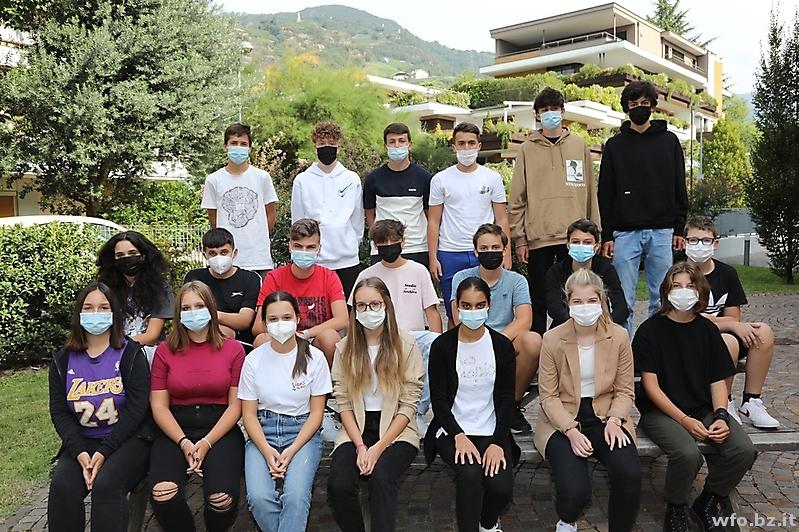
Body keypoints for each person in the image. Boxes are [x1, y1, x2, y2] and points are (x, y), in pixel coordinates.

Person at [634, 262, 757, 532]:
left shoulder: (708, 330)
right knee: (688, 454)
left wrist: (721, 415)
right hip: (661, 412)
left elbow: (717, 380)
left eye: (690, 286)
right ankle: (675, 507)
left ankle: (709, 500)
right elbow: (651, 387)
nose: (683, 291)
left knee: (743, 450)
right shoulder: (649, 331)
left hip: (703, 408)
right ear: (666, 291)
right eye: (676, 286)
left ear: (700, 291)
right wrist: (684, 420)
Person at [536, 269, 641, 532]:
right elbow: (548, 396)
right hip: (562, 418)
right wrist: (570, 431)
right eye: (578, 301)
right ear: (567, 303)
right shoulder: (552, 339)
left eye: (592, 301)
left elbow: (625, 390)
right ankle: (566, 520)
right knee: (576, 492)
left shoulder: (618, 336)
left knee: (629, 475)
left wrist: (615, 420)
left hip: (606, 415)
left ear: (602, 301)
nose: (585, 307)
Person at [48, 282, 154, 532]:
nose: (96, 313)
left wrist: (105, 451)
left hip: (129, 440)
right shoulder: (62, 360)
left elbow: (137, 410)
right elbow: (60, 411)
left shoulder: (131, 354)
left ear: (114, 312)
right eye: (88, 307)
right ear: (79, 313)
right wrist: (79, 451)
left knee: (107, 486)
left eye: (103, 307)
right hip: (84, 441)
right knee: (62, 487)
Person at [327, 277, 425, 532]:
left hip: (397, 429)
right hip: (357, 428)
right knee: (339, 483)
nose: (368, 311)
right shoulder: (344, 348)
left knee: (382, 479)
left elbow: (409, 404)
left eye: (374, 304)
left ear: (386, 305)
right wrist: (361, 446)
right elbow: (343, 402)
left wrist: (379, 447)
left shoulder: (405, 345)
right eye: (361, 305)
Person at [149, 281, 246, 532]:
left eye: (199, 306)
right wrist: (183, 442)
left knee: (221, 500)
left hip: (220, 429)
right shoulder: (164, 351)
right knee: (163, 494)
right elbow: (159, 406)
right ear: (178, 314)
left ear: (211, 309)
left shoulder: (234, 349)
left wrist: (206, 442)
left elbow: (236, 406)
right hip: (175, 429)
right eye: (186, 308)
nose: (193, 312)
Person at [425, 276, 517, 532]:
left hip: (491, 430)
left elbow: (506, 400)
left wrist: (498, 441)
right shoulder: (442, 346)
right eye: (466, 306)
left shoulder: (502, 346)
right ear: (456, 307)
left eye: (479, 305)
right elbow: (439, 401)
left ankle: (487, 523)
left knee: (501, 487)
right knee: (470, 474)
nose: (473, 311)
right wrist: (458, 435)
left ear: (489, 305)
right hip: (452, 430)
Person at [598, 80, 689, 335]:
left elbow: (679, 186)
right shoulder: (614, 146)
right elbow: (605, 193)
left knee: (662, 300)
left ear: (653, 106)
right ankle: (623, 352)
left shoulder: (669, 141)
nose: (639, 108)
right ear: (626, 108)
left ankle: (657, 350)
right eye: (634, 104)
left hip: (662, 230)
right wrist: (607, 234)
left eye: (644, 103)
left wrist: (679, 228)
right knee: (623, 301)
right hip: (624, 233)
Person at [508, 87, 601, 335]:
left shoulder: (580, 145)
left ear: (563, 111)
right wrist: (520, 239)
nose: (550, 114)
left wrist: (596, 233)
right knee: (538, 298)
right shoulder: (526, 149)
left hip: (576, 239)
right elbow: (517, 197)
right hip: (539, 236)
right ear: (537, 115)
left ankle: (574, 342)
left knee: (577, 295)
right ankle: (539, 347)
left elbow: (590, 192)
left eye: (555, 109)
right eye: (544, 110)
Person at [239, 291, 331, 532]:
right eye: (273, 319)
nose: (280, 324)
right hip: (263, 432)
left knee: (296, 496)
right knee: (259, 498)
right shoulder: (253, 360)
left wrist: (291, 450)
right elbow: (248, 415)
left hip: (302, 432)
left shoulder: (315, 358)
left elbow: (316, 413)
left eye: (286, 317)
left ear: (298, 319)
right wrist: (266, 449)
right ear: (264, 323)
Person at [349, 219, 442, 436]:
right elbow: (354, 313)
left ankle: (415, 411)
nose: (389, 247)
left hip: (412, 340)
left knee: (435, 343)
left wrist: (439, 344)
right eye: (383, 244)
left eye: (393, 242)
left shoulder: (418, 271)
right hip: (377, 337)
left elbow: (432, 311)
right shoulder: (366, 275)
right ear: (375, 245)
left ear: (403, 241)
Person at [684, 216, 779, 428]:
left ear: (715, 243)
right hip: (691, 340)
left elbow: (733, 317)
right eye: (693, 240)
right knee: (728, 341)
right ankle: (723, 403)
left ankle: (751, 402)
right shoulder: (678, 275)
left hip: (721, 333)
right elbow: (686, 319)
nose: (699, 245)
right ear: (684, 243)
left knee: (763, 332)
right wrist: (727, 324)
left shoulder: (727, 273)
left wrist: (718, 321)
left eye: (706, 240)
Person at [449, 224, 540, 435]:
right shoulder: (461, 278)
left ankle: (511, 405)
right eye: (484, 248)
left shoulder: (517, 281)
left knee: (533, 341)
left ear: (505, 250)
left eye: (495, 247)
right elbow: (458, 317)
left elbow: (525, 320)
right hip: (469, 339)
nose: (490, 252)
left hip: (504, 343)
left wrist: (496, 342)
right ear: (475, 251)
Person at [428, 122, 511, 325]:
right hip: (450, 253)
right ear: (454, 147)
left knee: (488, 308)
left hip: (486, 252)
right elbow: (433, 221)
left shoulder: (492, 178)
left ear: (479, 146)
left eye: (471, 143)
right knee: (454, 312)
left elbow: (501, 218)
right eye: (462, 143)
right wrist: (433, 257)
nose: (467, 148)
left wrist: (506, 253)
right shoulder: (440, 179)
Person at [252, 218, 348, 367]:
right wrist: (286, 332)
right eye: (298, 246)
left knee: (330, 337)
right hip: (282, 337)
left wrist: (305, 334)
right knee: (261, 340)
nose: (304, 252)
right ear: (290, 246)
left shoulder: (329, 277)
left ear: (319, 249)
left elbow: (342, 318)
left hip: (315, 338)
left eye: (310, 247)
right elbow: (258, 326)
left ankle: (330, 380)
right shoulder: (274, 277)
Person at [291, 121, 364, 299]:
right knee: (319, 308)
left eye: (332, 143)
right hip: (317, 259)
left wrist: (351, 244)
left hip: (347, 259)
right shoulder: (302, 180)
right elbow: (298, 221)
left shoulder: (351, 178)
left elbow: (357, 219)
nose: (327, 147)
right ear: (314, 147)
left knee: (350, 308)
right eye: (322, 143)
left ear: (339, 147)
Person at [201, 123, 279, 279]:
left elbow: (271, 215)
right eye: (234, 143)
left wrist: (257, 236)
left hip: (259, 259)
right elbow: (214, 221)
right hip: (226, 261)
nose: (239, 147)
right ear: (225, 147)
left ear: (250, 148)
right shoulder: (213, 180)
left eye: (243, 144)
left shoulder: (262, 177)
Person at [96, 231, 174, 360]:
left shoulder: (160, 287)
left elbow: (152, 335)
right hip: (111, 352)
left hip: (147, 354)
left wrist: (119, 346)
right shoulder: (105, 289)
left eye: (132, 253)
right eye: (120, 255)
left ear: (143, 256)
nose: (127, 258)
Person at [363, 122, 433, 268]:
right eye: (392, 141)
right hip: (383, 247)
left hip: (417, 248)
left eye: (401, 141)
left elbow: (430, 215)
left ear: (410, 144)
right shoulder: (373, 179)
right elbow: (370, 214)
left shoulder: (424, 178)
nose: (397, 146)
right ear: (385, 146)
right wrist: (380, 238)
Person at [184, 227, 261, 346]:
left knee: (220, 331)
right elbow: (186, 313)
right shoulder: (194, 277)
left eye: (224, 252)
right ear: (205, 255)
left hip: (239, 340)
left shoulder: (250, 278)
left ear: (234, 253)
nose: (219, 258)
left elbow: (244, 320)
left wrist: (210, 314)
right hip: (198, 333)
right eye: (213, 254)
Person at [546, 219, 628, 329]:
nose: (581, 246)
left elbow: (621, 307)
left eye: (587, 242)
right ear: (568, 245)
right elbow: (554, 308)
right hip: (566, 326)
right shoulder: (556, 272)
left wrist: (607, 325)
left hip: (601, 325)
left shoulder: (606, 270)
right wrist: (577, 326)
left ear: (597, 246)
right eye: (575, 242)